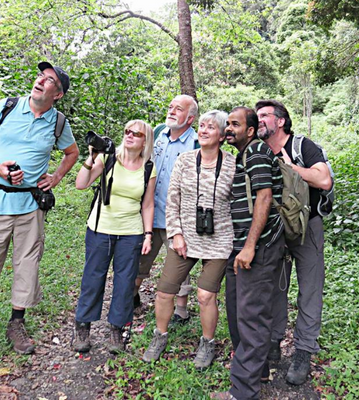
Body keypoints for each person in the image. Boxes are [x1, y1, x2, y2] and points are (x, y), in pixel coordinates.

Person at [0, 61, 79, 367]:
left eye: (49, 80)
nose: (40, 81)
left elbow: (72, 153)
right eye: (40, 75)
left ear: (58, 94)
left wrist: (55, 177)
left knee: (27, 264)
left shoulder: (58, 123)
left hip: (31, 205)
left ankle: (16, 323)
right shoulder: (7, 107)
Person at [142, 110, 235, 368]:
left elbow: (238, 204)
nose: (204, 131)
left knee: (205, 295)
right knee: (164, 292)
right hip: (184, 238)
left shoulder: (232, 164)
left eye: (211, 127)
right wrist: (176, 234)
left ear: (221, 135)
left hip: (219, 240)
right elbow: (172, 200)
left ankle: (207, 343)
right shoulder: (184, 160)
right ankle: (159, 336)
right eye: (202, 126)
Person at [256, 99, 332, 386]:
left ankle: (303, 350)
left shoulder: (302, 146)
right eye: (257, 115)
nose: (259, 119)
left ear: (280, 121)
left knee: (310, 289)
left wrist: (290, 168)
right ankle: (274, 341)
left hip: (307, 227)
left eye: (265, 115)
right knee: (275, 287)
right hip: (273, 230)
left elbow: (324, 180)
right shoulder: (259, 149)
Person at [211, 107, 285, 400]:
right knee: (237, 312)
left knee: (251, 317)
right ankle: (259, 370)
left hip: (259, 246)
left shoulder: (255, 152)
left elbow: (265, 197)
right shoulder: (243, 155)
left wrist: (251, 246)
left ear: (251, 130)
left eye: (235, 124)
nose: (228, 129)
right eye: (227, 124)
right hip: (240, 246)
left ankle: (243, 392)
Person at [73, 120, 156, 354]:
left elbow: (148, 204)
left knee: (125, 282)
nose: (129, 135)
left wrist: (148, 235)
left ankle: (117, 329)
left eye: (136, 133)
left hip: (131, 233)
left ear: (145, 141)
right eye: (127, 131)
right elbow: (81, 184)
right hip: (100, 229)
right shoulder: (108, 158)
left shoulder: (148, 167)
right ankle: (82, 327)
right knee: (92, 278)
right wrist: (91, 158)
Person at [134, 94, 199, 324]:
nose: (171, 111)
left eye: (178, 109)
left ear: (190, 118)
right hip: (150, 211)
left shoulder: (196, 143)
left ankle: (181, 311)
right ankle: (132, 297)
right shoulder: (158, 132)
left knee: (179, 262)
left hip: (178, 217)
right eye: (171, 107)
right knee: (140, 258)